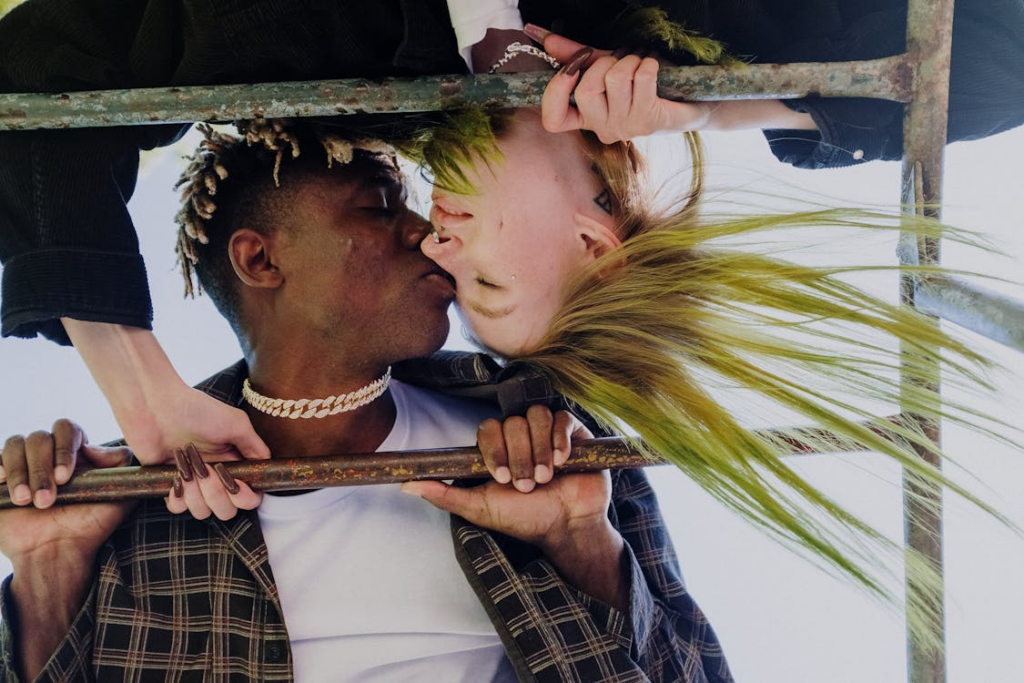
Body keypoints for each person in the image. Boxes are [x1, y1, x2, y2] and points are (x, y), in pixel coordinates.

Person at [1, 0, 1022, 479]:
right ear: (595, 242)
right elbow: (994, 65)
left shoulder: (366, 62)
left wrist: (139, 383)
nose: (433, 244)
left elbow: (45, 64)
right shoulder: (699, 35)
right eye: (482, 278)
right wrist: (715, 105)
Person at [0, 122, 733, 682]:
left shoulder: (549, 437)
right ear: (262, 259)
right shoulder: (127, 506)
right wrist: (51, 570)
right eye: (379, 210)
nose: (428, 232)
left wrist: (582, 542)